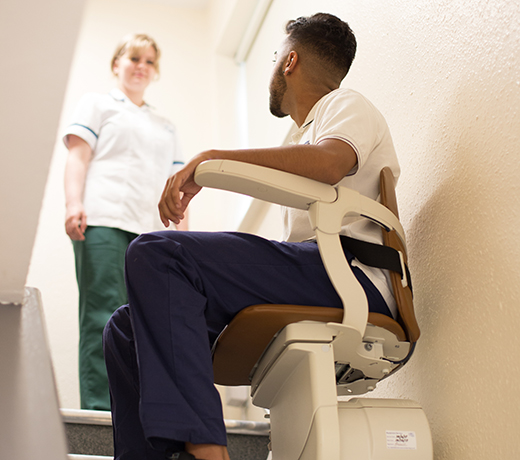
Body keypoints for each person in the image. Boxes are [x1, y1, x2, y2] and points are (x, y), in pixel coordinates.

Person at [103, 13, 400, 460]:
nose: (272, 66)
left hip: (350, 278)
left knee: (158, 253)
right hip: (317, 273)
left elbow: (329, 163)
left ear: (290, 60)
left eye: (275, 55)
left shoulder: (344, 104)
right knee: (124, 329)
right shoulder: (302, 133)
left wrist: (211, 159)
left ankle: (207, 449)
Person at [63, 33, 186, 411]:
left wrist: (184, 238)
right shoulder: (98, 104)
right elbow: (79, 158)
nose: (141, 66)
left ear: (155, 73)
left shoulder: (165, 126)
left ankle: (138, 414)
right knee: (102, 315)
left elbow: (178, 188)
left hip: (150, 233)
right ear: (117, 63)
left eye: (150, 61)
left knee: (143, 325)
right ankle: (101, 411)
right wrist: (73, 204)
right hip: (102, 220)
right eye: (134, 58)